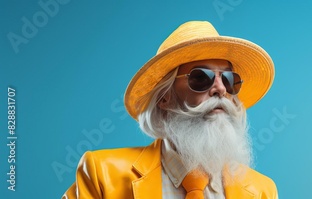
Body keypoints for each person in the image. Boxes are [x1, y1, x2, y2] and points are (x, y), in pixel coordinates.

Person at [62, 21, 278, 199]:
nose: (220, 89)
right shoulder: (101, 173)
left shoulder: (262, 190)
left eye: (230, 80)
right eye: (201, 77)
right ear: (164, 97)